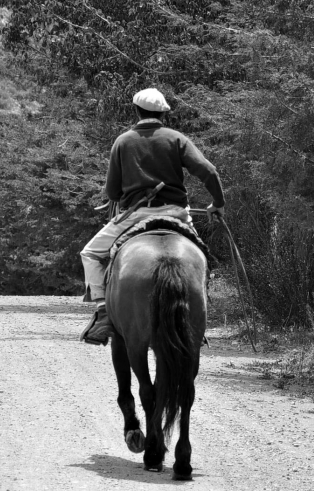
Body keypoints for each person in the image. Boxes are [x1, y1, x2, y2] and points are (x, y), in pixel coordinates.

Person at [79, 88, 225, 345]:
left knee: (89, 254)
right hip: (177, 214)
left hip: (136, 216)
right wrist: (217, 203)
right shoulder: (177, 138)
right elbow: (209, 172)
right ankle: (195, 317)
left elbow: (112, 191)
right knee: (202, 257)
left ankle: (103, 312)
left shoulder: (123, 141)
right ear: (163, 114)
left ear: (136, 111)